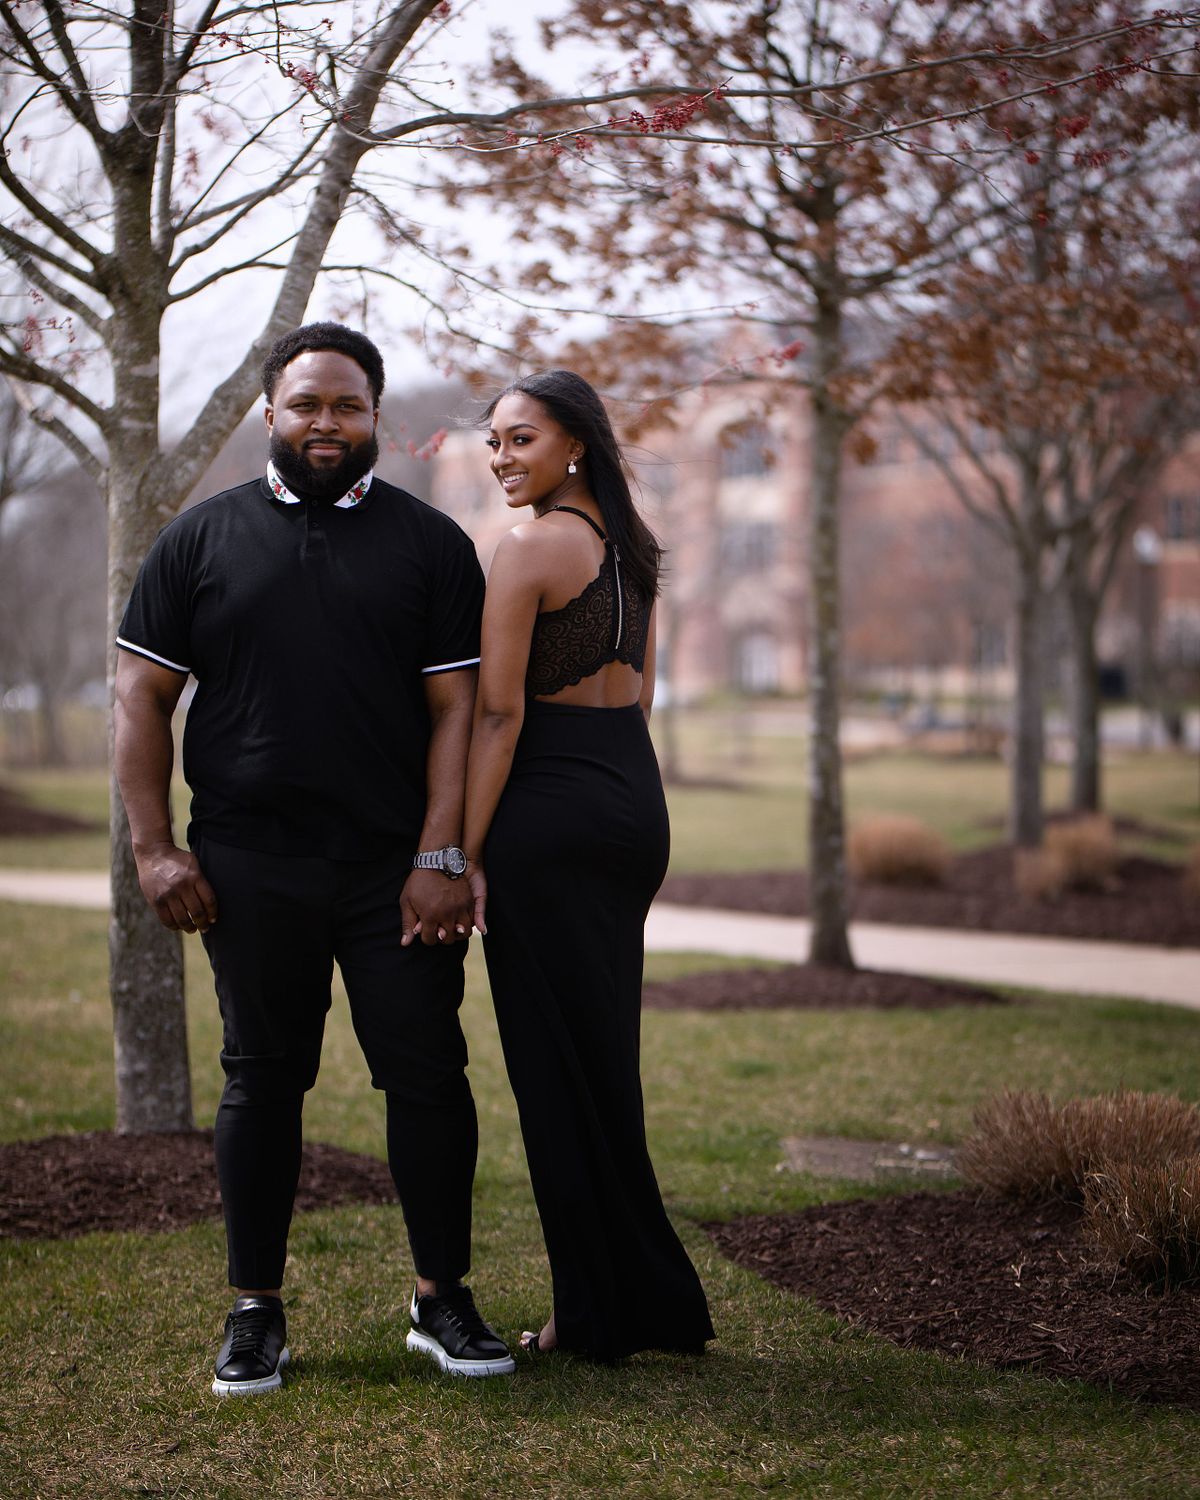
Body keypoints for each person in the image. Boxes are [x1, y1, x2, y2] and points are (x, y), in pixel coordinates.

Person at [114, 322, 514, 1396]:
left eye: (347, 405)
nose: (326, 423)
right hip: (248, 862)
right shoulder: (197, 542)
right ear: (270, 414)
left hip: (393, 869)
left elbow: (456, 711)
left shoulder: (430, 545)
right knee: (262, 1078)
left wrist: (441, 852)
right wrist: (154, 850)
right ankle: (256, 1312)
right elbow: (141, 698)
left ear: (376, 415)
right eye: (306, 405)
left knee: (427, 1074)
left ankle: (442, 1297)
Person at [461, 370, 715, 1360]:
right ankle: (649, 1300)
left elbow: (497, 711)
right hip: (629, 801)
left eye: (521, 439)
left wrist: (459, 851)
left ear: (576, 444)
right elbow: (637, 690)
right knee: (604, 1063)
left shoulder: (527, 551)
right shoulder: (635, 553)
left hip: (549, 814)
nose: (502, 459)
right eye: (494, 443)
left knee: (554, 1075)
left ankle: (593, 1317)